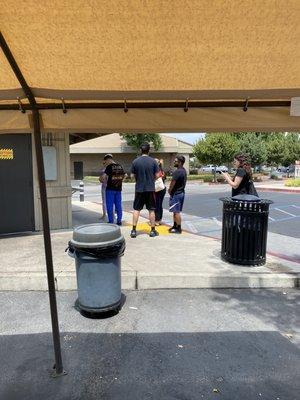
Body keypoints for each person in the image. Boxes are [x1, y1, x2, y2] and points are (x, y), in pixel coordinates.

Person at [130, 142, 160, 238]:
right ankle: (152, 231)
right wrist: (151, 180)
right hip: (150, 189)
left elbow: (131, 176)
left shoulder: (135, 161)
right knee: (151, 210)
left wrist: (138, 179)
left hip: (139, 189)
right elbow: (157, 175)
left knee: (136, 209)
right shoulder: (153, 161)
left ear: (140, 150)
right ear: (149, 150)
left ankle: (134, 230)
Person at [102, 154, 126, 225]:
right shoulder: (120, 166)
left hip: (110, 189)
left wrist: (102, 180)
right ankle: (119, 220)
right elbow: (125, 175)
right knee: (118, 205)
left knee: (109, 205)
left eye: (106, 161)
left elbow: (104, 176)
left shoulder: (109, 167)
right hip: (118, 189)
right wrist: (120, 181)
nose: (106, 163)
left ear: (108, 160)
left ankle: (111, 221)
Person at [168, 156, 187, 234]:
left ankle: (178, 228)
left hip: (177, 194)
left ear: (180, 162)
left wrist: (169, 190)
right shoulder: (183, 170)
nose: (174, 162)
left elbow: (173, 182)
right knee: (174, 211)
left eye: (175, 161)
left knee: (176, 211)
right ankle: (175, 226)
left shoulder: (178, 171)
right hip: (180, 193)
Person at [154, 158, 166, 225]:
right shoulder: (161, 169)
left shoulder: (157, 169)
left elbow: (155, 177)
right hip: (161, 189)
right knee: (159, 205)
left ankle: (157, 220)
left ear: (158, 163)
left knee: (157, 205)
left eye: (155, 161)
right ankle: (159, 219)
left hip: (158, 189)